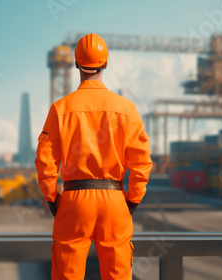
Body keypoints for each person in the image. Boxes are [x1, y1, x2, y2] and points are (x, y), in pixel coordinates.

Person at [35, 33, 152, 280]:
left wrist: (52, 199)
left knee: (67, 274)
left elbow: (45, 161)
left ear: (76, 63)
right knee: (118, 275)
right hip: (114, 200)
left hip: (74, 200)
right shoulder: (126, 109)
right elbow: (142, 162)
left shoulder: (60, 109)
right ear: (105, 63)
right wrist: (132, 201)